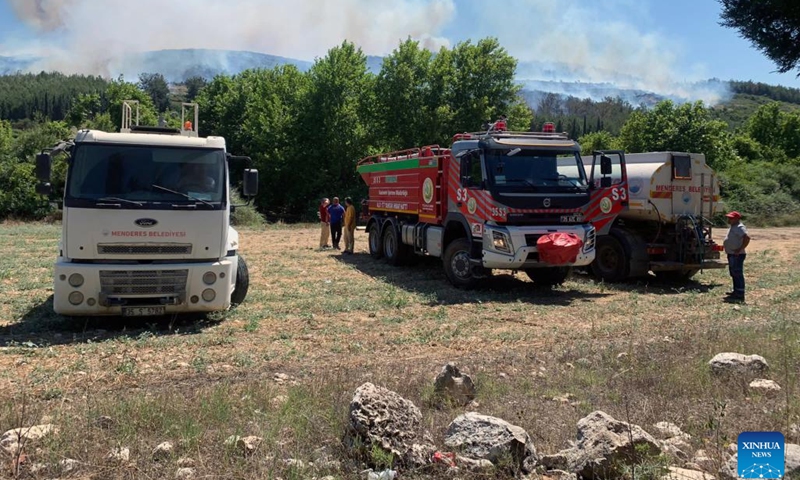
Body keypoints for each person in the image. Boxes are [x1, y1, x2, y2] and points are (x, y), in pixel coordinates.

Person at [722, 211, 750, 303]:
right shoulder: (733, 227)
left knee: (737, 273)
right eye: (729, 218)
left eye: (731, 218)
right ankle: (736, 291)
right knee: (733, 273)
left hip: (737, 255)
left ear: (737, 219)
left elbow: (747, 238)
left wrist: (740, 249)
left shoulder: (740, 227)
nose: (729, 219)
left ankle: (740, 294)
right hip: (732, 254)